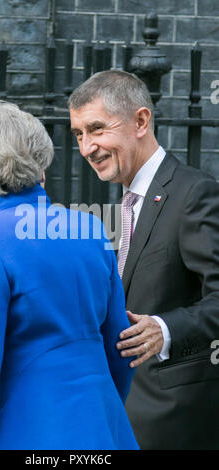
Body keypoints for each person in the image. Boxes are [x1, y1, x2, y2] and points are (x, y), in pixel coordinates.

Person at [0, 100, 139, 450]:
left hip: (28, 433)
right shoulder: (89, 229)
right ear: (41, 160)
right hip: (106, 432)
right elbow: (121, 349)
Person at [69, 70, 219, 450]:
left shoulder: (194, 194)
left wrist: (164, 329)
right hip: (119, 417)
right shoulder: (125, 203)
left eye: (97, 129)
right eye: (79, 135)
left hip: (175, 422)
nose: (87, 147)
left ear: (140, 121)